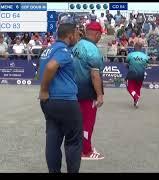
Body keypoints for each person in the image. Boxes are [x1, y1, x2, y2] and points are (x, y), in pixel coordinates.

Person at [38, 16, 82, 173]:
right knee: (74, 141)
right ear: (70, 35)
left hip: (49, 102)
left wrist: (44, 91)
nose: (78, 37)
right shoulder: (63, 50)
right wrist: (43, 89)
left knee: (53, 140)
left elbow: (44, 68)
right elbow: (51, 67)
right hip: (65, 101)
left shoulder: (48, 50)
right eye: (77, 34)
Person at [72, 21, 105, 160]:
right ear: (97, 34)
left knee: (78, 122)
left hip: (74, 90)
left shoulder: (77, 45)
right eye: (100, 35)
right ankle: (86, 151)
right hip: (87, 91)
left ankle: (79, 147)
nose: (100, 38)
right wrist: (99, 95)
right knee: (88, 122)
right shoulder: (92, 49)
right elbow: (94, 74)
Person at [125, 42, 149, 108]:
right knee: (137, 88)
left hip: (132, 74)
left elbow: (126, 64)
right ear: (141, 48)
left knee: (129, 88)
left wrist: (129, 66)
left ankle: (135, 97)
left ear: (135, 47)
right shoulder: (145, 56)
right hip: (141, 75)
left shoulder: (130, 55)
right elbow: (146, 65)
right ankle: (136, 101)